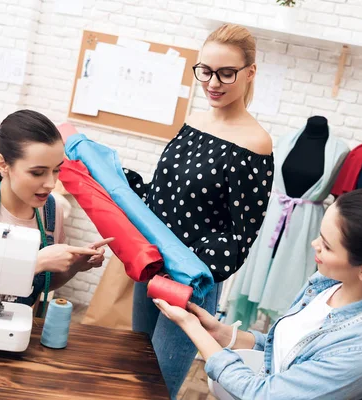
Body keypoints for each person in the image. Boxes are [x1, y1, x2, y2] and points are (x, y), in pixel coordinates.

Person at [155, 188, 362, 400]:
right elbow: (288, 351)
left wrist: (192, 328)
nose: (314, 244)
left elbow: (263, 395)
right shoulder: (326, 285)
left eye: (328, 246)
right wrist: (223, 334)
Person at [122, 23, 274, 398]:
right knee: (133, 370)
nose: (213, 83)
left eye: (226, 73)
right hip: (152, 264)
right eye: (205, 71)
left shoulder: (255, 143)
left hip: (191, 282)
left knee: (157, 386)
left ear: (250, 73)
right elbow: (162, 194)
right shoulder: (194, 120)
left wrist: (189, 269)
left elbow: (241, 235)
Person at [0, 109, 112, 315]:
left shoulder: (51, 209)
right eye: (37, 172)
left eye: (56, 170)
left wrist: (73, 266)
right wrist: (36, 263)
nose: (51, 183)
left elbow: (43, 284)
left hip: (17, 332)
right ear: (2, 164)